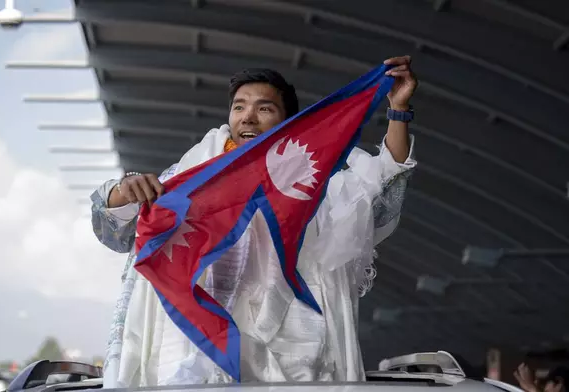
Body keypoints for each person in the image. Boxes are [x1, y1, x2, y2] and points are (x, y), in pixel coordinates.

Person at [91, 56, 418, 386]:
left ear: (288, 120)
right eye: (239, 107)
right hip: (194, 351)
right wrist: (123, 189)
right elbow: (119, 232)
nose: (248, 116)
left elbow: (377, 197)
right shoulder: (191, 176)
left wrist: (398, 112)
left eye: (264, 108)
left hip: (290, 353)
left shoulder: (314, 184)